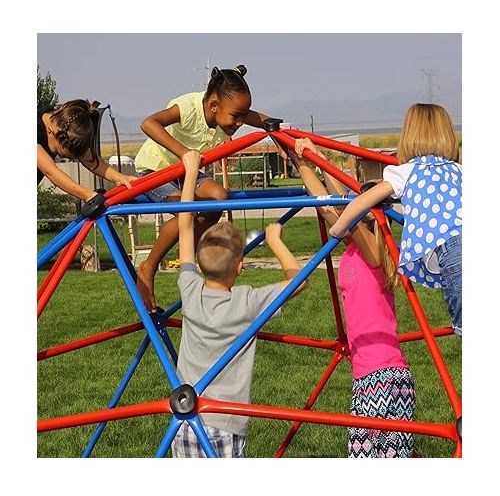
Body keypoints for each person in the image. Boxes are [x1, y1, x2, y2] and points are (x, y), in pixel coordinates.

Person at [171, 150, 307, 458]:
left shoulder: (189, 290)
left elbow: (184, 228)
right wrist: (276, 242)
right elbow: (300, 281)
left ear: (199, 265)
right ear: (240, 267)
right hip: (226, 422)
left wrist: (190, 173)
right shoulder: (248, 301)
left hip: (184, 422)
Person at [290, 137, 415, 458]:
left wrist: (313, 158)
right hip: (371, 377)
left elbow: (336, 203)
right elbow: (325, 201)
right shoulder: (356, 247)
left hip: (383, 379)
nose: (348, 206)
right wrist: (305, 160)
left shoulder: (374, 252)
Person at [134, 65, 284, 312]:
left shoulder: (224, 112)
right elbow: (149, 123)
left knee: (219, 197)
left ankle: (190, 254)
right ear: (214, 105)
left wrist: (272, 127)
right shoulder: (190, 108)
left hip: (185, 172)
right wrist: (184, 154)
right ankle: (148, 266)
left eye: (242, 117)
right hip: (155, 171)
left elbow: (254, 117)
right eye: (236, 116)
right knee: (188, 213)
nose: (240, 123)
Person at [329, 103, 462, 337]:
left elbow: (360, 203)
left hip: (456, 253)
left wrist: (338, 229)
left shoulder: (407, 172)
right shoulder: (460, 171)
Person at [37, 99, 137, 201]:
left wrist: (120, 178)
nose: (63, 157)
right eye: (63, 153)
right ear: (52, 131)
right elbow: (49, 170)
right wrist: (88, 195)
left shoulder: (62, 123)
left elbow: (90, 161)